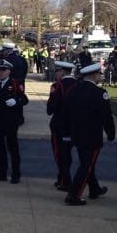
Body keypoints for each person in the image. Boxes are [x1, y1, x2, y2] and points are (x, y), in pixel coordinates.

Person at [63, 63, 115, 206]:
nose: (100, 77)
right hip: (92, 135)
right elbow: (106, 117)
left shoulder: (74, 90)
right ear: (94, 75)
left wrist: (67, 131)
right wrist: (111, 133)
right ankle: (74, 195)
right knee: (86, 165)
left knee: (87, 163)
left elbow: (66, 113)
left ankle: (94, 188)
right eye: (99, 74)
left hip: (77, 134)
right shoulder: (99, 93)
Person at [0, 59, 29, 183]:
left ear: (9, 71)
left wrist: (16, 101)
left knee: (12, 148)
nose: (1, 73)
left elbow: (24, 99)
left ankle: (15, 174)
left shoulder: (14, 83)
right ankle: (0, 172)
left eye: (3, 70)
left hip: (10, 122)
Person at [47, 61, 78, 191]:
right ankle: (62, 179)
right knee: (68, 154)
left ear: (62, 72)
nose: (55, 74)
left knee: (60, 154)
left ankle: (65, 180)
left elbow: (50, 109)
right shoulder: (79, 85)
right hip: (75, 126)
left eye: (56, 71)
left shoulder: (57, 86)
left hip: (59, 126)